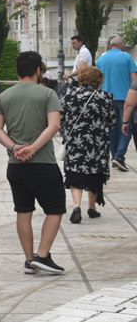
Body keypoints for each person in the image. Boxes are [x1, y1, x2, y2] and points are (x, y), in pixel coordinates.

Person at [0, 50, 65, 275]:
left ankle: (28, 259)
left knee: (23, 211)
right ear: (38, 70)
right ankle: (43, 255)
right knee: (55, 209)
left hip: (15, 165)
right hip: (43, 163)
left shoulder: (5, 96)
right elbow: (54, 126)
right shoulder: (47, 94)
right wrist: (33, 148)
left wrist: (14, 147)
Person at [61, 66, 115, 223]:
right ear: (98, 80)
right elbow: (112, 121)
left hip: (75, 142)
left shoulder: (70, 95)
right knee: (95, 173)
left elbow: (60, 115)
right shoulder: (105, 97)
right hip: (97, 144)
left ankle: (77, 206)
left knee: (75, 172)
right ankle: (92, 208)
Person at [95, 35, 137, 171]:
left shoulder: (101, 59)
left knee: (112, 129)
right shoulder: (127, 58)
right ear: (123, 45)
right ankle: (119, 156)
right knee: (126, 127)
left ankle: (114, 156)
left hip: (106, 98)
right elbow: (134, 79)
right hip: (125, 98)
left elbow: (98, 81)